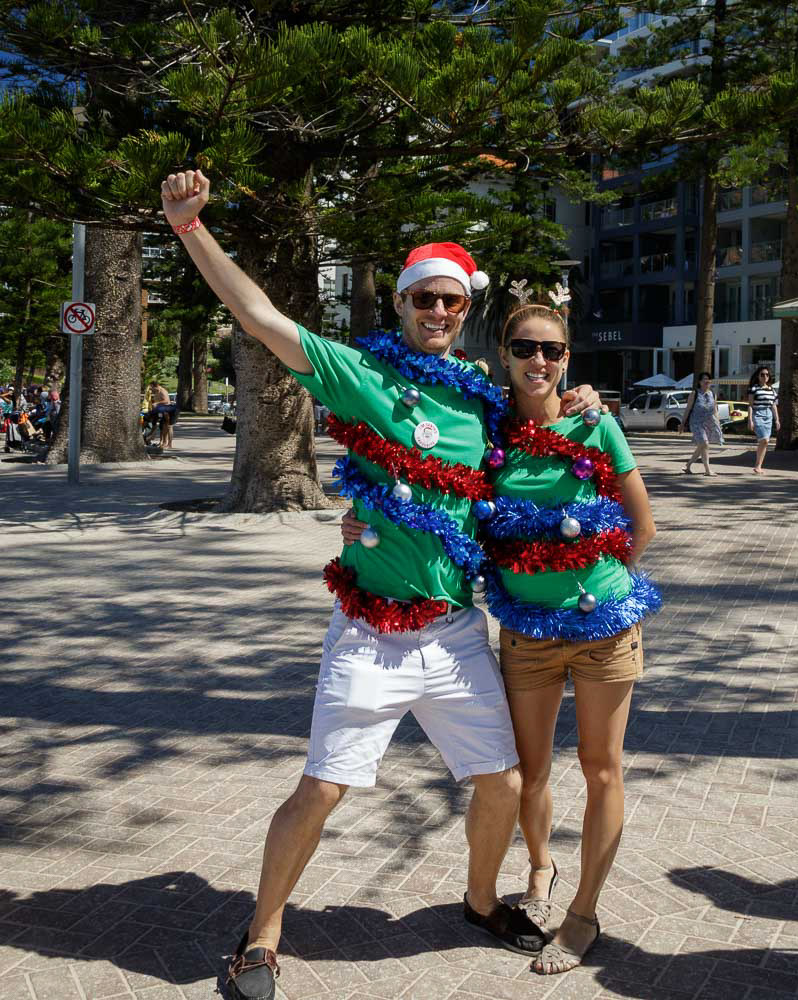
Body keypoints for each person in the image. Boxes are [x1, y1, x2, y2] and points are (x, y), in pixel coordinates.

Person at [160, 169, 602, 1000]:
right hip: (369, 632)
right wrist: (190, 229)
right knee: (322, 786)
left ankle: (479, 902)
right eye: (423, 300)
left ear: (465, 311)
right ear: (399, 306)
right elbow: (262, 320)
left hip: (454, 630)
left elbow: (547, 413)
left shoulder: (485, 403)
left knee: (502, 782)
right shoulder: (363, 377)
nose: (439, 312)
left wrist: (585, 395)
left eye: (452, 302)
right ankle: (260, 933)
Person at [342, 295, 660, 976]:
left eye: (552, 350)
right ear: (504, 357)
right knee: (529, 774)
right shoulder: (488, 430)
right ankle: (540, 868)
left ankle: (582, 915)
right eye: (525, 349)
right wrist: (360, 516)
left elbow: (644, 528)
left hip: (604, 629)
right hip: (524, 635)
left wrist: (595, 583)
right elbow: (429, 478)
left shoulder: (594, 426)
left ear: (567, 358)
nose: (538, 361)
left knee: (602, 770)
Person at [681, 372, 724, 475]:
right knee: (704, 443)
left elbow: (715, 410)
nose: (706, 381)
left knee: (703, 445)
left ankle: (689, 465)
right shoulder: (694, 393)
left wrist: (718, 423)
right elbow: (688, 409)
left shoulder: (713, 394)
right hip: (696, 422)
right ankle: (708, 470)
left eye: (708, 379)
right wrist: (682, 424)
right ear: (699, 382)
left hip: (709, 423)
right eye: (704, 379)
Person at [747, 366, 780, 473]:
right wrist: (750, 420)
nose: (765, 376)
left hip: (768, 416)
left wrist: (777, 420)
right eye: (762, 374)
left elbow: (774, 406)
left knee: (766, 442)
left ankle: (759, 466)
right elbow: (750, 405)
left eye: (767, 374)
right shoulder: (754, 389)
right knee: (764, 439)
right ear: (758, 376)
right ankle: (757, 465)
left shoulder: (772, 390)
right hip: (757, 414)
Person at [148, 380, 176, 449]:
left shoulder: (163, 391)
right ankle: (163, 442)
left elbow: (166, 401)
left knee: (169, 427)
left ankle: (169, 444)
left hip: (168, 411)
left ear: (156, 386)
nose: (151, 389)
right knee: (163, 427)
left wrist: (157, 403)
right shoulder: (156, 392)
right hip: (161, 411)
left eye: (151, 387)